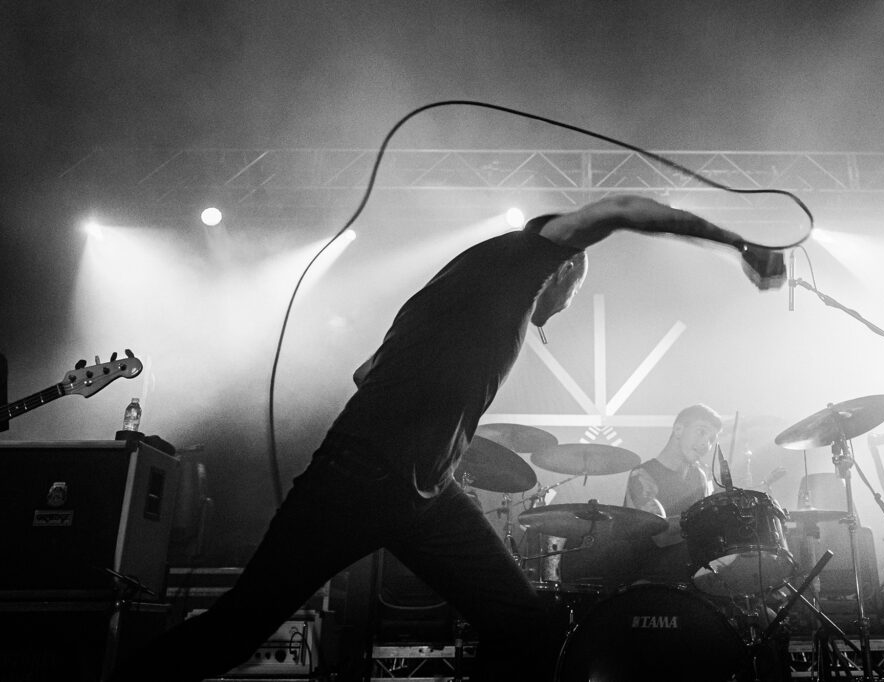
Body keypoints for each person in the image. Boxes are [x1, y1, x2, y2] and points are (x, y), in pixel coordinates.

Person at [112, 195, 783, 682]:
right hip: (356, 481)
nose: (565, 310)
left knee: (527, 630)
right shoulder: (521, 260)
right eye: (573, 294)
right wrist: (737, 242)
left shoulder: (459, 291)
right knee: (237, 629)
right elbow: (623, 209)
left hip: (422, 493)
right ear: (566, 271)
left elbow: (366, 372)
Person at [623, 403, 723, 584]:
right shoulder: (643, 474)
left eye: (711, 439)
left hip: (690, 577)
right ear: (678, 429)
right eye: (701, 432)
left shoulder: (701, 476)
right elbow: (659, 536)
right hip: (649, 579)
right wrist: (707, 514)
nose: (705, 444)